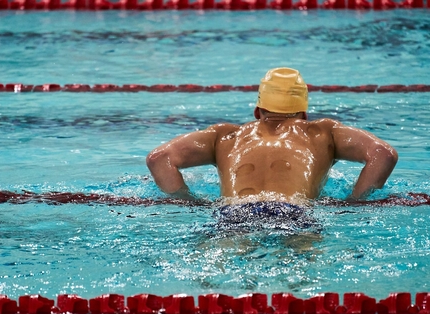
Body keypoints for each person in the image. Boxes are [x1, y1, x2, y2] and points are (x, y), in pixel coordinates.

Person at [146, 67, 398, 230]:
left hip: (234, 214)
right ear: (304, 114)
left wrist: (191, 203)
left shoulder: (226, 135)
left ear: (257, 111)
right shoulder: (321, 132)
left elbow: (159, 158)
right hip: (293, 213)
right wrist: (353, 203)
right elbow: (383, 154)